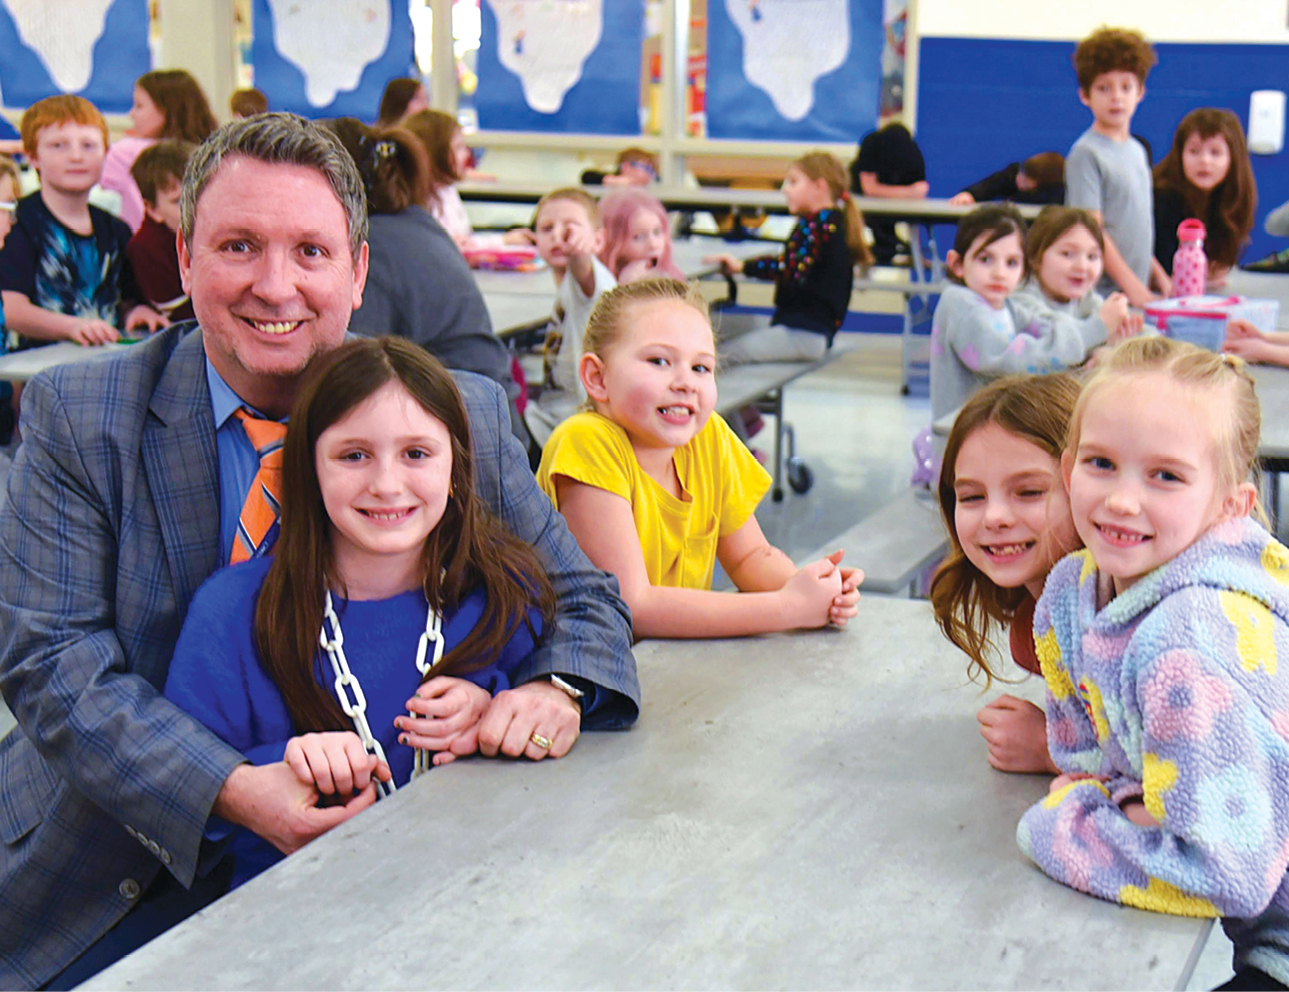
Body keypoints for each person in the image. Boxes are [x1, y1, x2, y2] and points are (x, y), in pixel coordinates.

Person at [0, 112, 639, 990]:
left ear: (357, 269)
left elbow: (586, 598)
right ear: (183, 258)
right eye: (237, 246)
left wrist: (547, 690)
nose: (275, 285)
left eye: (310, 251)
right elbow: (53, 663)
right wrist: (228, 788)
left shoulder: (451, 419)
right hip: (123, 860)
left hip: (402, 865)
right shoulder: (82, 416)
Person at [164, 336, 557, 888]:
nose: (387, 485)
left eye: (417, 453)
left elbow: (551, 716)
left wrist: (500, 707)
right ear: (309, 466)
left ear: (456, 463)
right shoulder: (230, 614)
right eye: (354, 455)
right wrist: (284, 760)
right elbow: (187, 778)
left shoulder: (506, 593)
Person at [1019, 336, 1289, 992]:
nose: (1119, 500)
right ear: (1066, 469)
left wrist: (1063, 822)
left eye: (1164, 475)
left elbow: (1224, 873)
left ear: (1230, 504)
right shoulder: (1068, 594)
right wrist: (1117, 798)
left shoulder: (1185, 645)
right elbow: (1084, 759)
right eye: (1101, 463)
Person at [536, 278, 861, 638]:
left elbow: (749, 557)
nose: (685, 382)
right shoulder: (586, 443)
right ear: (597, 378)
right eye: (659, 361)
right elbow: (632, 606)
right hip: (581, 675)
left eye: (701, 368)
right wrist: (788, 607)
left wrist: (815, 591)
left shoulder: (707, 438)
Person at [327, 118, 529, 451]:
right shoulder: (417, 221)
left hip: (468, 447)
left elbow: (346, 370)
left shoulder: (374, 247)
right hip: (494, 428)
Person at [930, 372, 1081, 774]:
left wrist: (1051, 749)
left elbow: (1190, 769)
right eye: (972, 496)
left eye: (1029, 492)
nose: (995, 516)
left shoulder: (1131, 623)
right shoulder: (1035, 623)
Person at [0, 95, 166, 348]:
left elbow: (125, 300)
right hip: (35, 373)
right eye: (59, 145)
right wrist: (73, 327)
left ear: (106, 154)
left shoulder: (116, 229)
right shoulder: (16, 223)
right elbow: (11, 308)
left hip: (103, 366)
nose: (76, 156)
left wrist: (136, 314)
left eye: (88, 146)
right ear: (33, 156)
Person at [929, 205, 1100, 425]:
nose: (999, 273)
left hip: (992, 436)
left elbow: (1050, 326)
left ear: (1024, 269)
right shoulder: (960, 304)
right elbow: (1011, 362)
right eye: (985, 259)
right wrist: (1096, 330)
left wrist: (1097, 341)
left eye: (1011, 262)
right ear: (957, 264)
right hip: (961, 445)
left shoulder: (1007, 306)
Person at [706, 151, 871, 365]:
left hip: (804, 334)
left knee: (720, 356)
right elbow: (792, 264)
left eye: (793, 182)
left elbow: (787, 268)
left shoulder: (816, 227)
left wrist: (742, 267)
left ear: (819, 187)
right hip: (808, 331)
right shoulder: (831, 223)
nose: (785, 189)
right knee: (719, 331)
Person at [1064, 26, 1168, 305]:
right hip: (1101, 297)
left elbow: (1137, 226)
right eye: (1104, 88)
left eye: (1126, 86)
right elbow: (1092, 232)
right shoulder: (1085, 154)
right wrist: (1134, 289)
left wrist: (1159, 276)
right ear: (1085, 95)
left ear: (1140, 92)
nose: (1116, 97)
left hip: (1135, 291)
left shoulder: (1137, 150)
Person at [526, 187, 617, 445]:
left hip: (574, 422)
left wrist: (579, 254)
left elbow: (584, 274)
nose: (558, 236)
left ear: (598, 241)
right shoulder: (564, 284)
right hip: (550, 413)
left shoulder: (591, 283)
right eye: (546, 229)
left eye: (571, 229)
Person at [100, 69, 218, 232]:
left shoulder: (127, 153)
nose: (132, 114)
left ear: (168, 109)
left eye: (139, 106)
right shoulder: (216, 152)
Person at [1153, 108, 1257, 285]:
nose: (1204, 161)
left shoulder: (1234, 196)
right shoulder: (1162, 196)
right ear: (1179, 155)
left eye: (1215, 153)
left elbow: (1221, 265)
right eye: (1194, 151)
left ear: (1233, 159)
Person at [402, 108, 530, 251]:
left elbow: (464, 242)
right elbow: (456, 247)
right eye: (458, 148)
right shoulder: (421, 205)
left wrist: (505, 240)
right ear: (435, 155)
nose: (466, 154)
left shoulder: (447, 190)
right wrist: (503, 240)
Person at [1013, 205, 1140, 347]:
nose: (1082, 266)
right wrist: (1102, 326)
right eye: (1067, 254)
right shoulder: (1020, 302)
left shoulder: (1086, 298)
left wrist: (1120, 335)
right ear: (1036, 256)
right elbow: (1056, 342)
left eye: (1092, 256)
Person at [127, 140, 197, 322]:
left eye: (200, 194)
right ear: (153, 210)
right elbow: (180, 316)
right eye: (178, 202)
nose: (195, 207)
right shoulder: (146, 248)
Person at [848, 121, 928, 265]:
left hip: (896, 207)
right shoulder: (872, 144)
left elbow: (921, 189)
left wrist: (893, 193)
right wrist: (908, 192)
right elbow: (869, 188)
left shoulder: (911, 153)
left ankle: (908, 252)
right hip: (861, 199)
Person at [598, 187, 684, 284]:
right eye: (638, 237)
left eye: (657, 232)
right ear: (612, 240)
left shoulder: (670, 276)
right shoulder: (601, 279)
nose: (653, 244)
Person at [948, 151, 1065, 207]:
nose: (1019, 178)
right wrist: (970, 194)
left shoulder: (1057, 194)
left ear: (1039, 183)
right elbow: (991, 184)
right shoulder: (1013, 175)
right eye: (1021, 173)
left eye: (1026, 178)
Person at [580, 147, 659, 187]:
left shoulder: (653, 185)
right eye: (646, 168)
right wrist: (613, 181)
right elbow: (586, 176)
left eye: (651, 170)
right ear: (626, 167)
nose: (649, 174)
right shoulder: (612, 179)